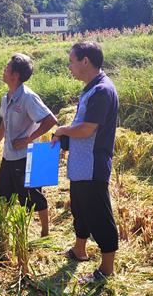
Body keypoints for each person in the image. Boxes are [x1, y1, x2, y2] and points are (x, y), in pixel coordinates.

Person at [52, 42, 119, 282]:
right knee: (80, 211)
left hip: (92, 165)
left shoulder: (102, 90)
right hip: (81, 165)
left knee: (99, 215)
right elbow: (81, 126)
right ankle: (79, 250)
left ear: (85, 61)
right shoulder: (90, 88)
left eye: (71, 61)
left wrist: (61, 130)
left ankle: (107, 270)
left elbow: (88, 129)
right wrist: (64, 141)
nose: (69, 66)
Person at [0, 53, 57, 237]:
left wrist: (27, 139)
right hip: (8, 156)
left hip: (27, 157)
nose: (4, 70)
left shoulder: (28, 97)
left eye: (7, 68)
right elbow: (4, 123)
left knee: (33, 197)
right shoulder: (6, 97)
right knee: (2, 196)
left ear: (15, 75)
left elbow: (50, 120)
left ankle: (45, 232)